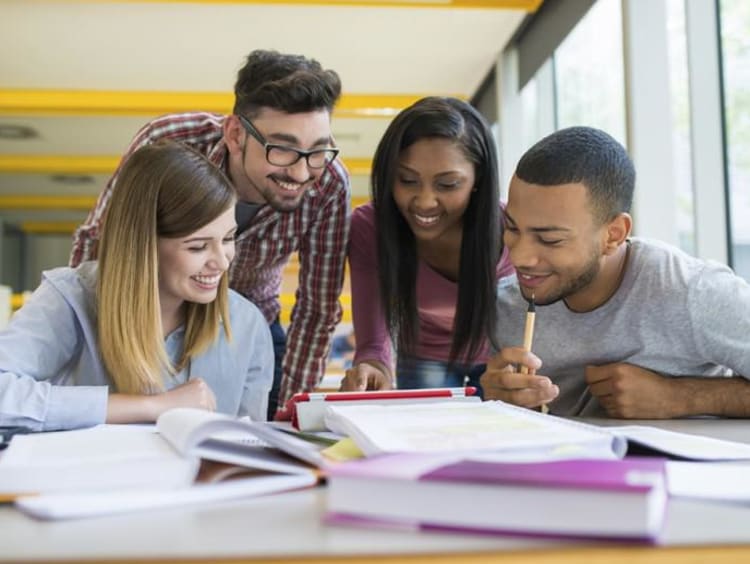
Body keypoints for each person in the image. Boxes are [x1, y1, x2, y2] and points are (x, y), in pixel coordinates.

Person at [70, 50, 350, 419]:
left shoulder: (328, 182)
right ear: (235, 134)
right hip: (148, 318)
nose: (301, 173)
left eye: (316, 151)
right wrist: (81, 327)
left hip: (250, 324)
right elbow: (101, 240)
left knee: (257, 434)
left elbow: (317, 307)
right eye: (282, 150)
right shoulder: (171, 141)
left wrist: (291, 412)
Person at [0, 141, 273, 431]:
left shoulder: (247, 324)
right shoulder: (70, 298)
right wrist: (152, 406)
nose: (221, 261)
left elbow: (250, 446)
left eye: (228, 239)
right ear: (143, 246)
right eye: (197, 247)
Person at [482, 126, 750, 418]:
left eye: (550, 240)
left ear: (613, 234)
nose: (519, 256)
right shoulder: (505, 310)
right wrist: (498, 404)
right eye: (512, 228)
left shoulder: (694, 292)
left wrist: (681, 398)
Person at [340, 97, 513, 394]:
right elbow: (372, 341)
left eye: (447, 185)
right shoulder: (370, 227)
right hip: (424, 356)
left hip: (502, 356)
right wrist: (374, 367)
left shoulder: (511, 226)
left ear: (478, 178)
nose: (424, 201)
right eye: (407, 180)